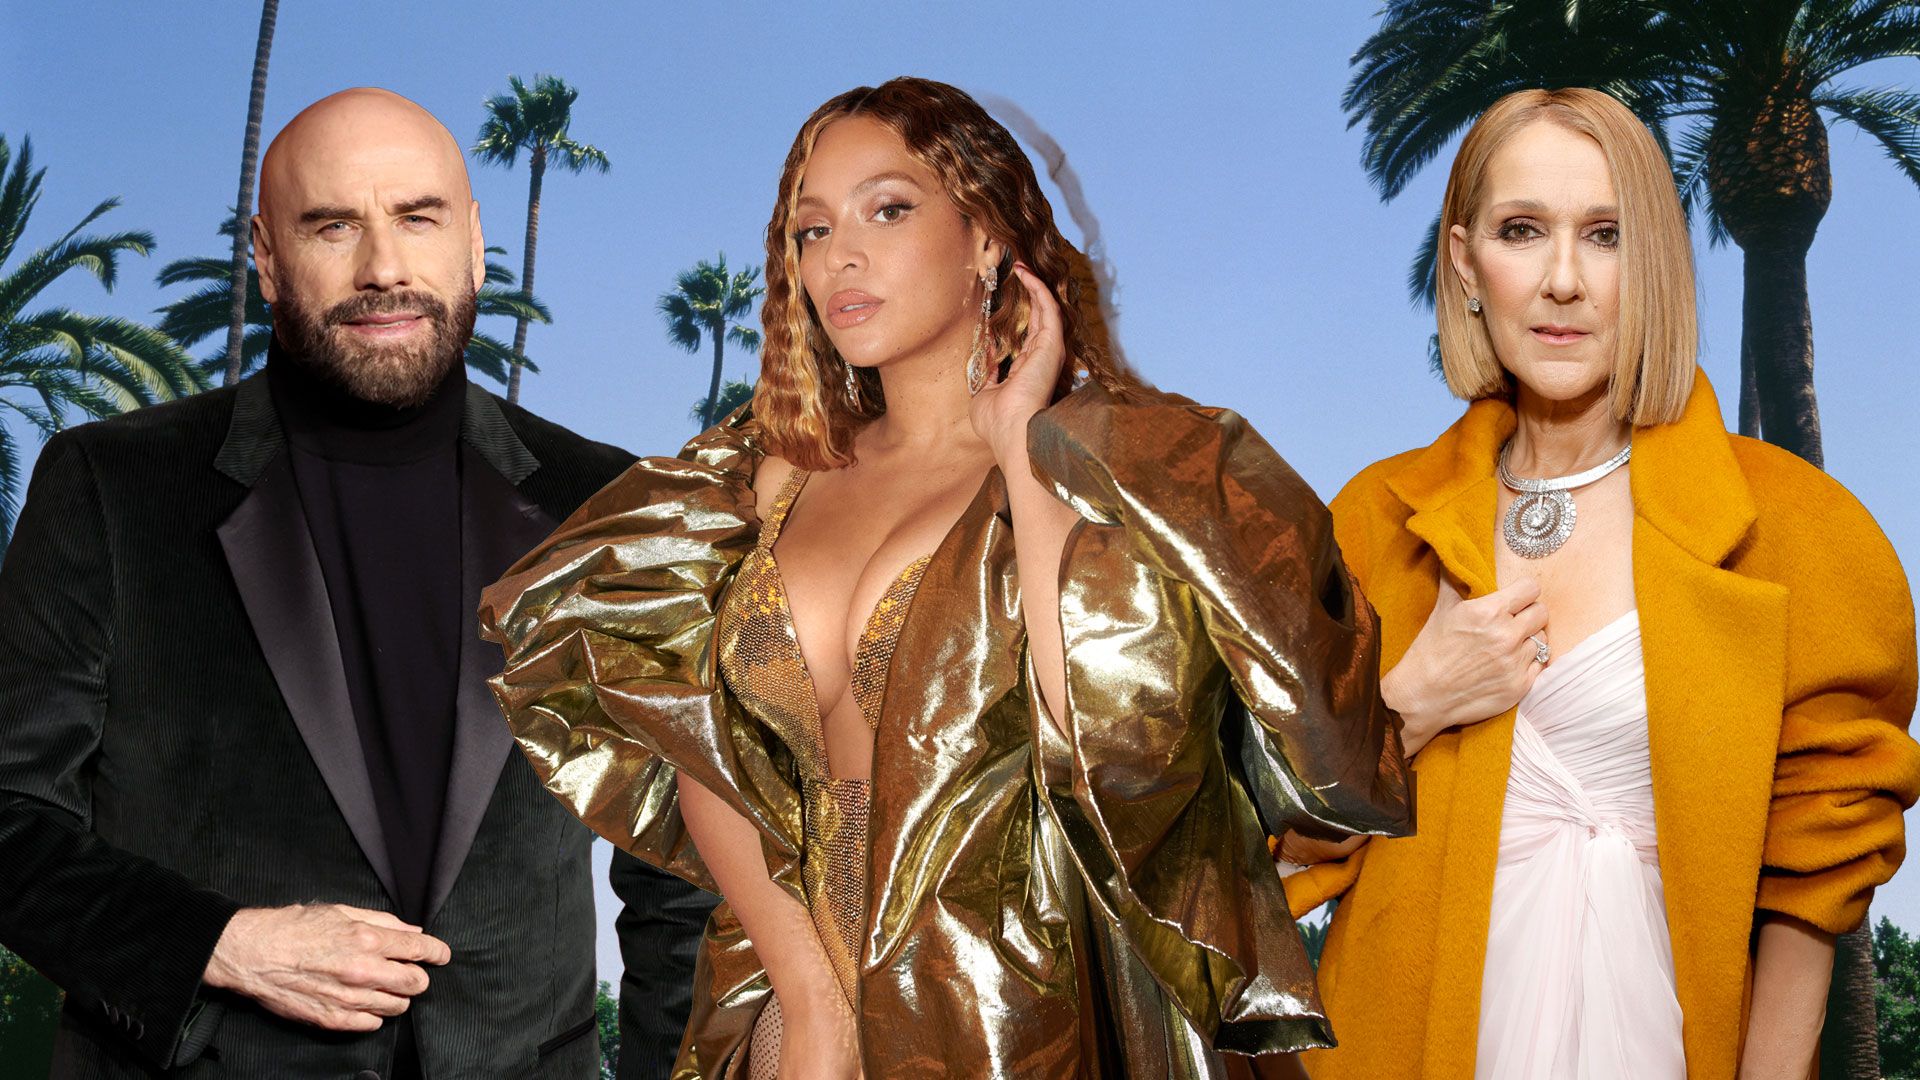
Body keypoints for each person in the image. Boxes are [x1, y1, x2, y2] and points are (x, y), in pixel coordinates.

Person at [479, 76, 1412, 1078]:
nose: (841, 254)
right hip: (792, 1003)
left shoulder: (1131, 461)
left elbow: (1122, 753)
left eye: (889, 209)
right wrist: (812, 1000)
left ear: (985, 237)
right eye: (811, 229)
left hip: (1025, 1009)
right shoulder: (761, 478)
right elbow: (706, 747)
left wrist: (1023, 456)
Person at [0, 87, 707, 1079]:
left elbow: (685, 873)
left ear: (473, 242)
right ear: (266, 254)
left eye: (417, 218)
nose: (384, 268)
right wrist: (220, 944)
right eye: (332, 225)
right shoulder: (109, 487)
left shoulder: (614, 504)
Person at [1276, 87, 1920, 1080]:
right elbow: (1250, 850)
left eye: (1606, 234)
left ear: (1652, 260)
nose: (1564, 281)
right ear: (1466, 262)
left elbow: (1824, 858)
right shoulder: (1373, 521)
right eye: (1523, 230)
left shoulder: (1796, 530)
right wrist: (1405, 709)